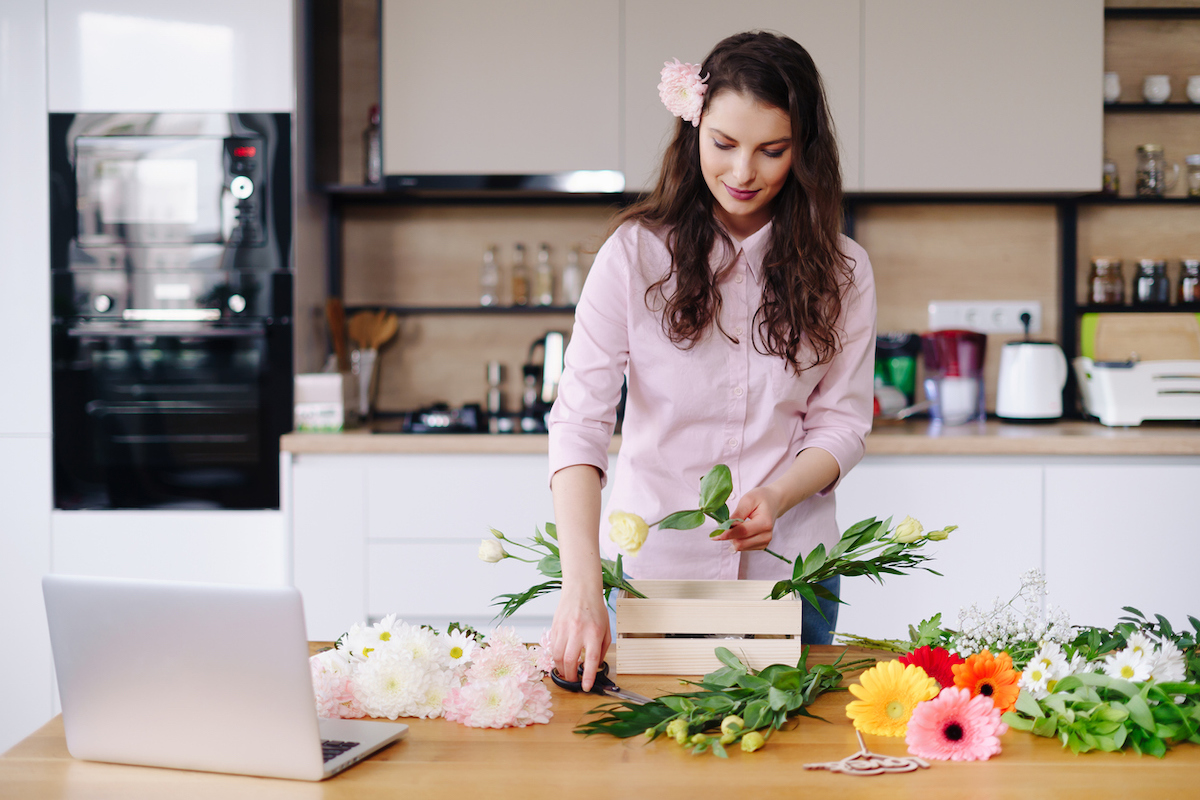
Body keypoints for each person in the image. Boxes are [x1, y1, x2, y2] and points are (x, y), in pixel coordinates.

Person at [546, 31, 876, 690]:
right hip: (655, 574)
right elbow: (579, 424)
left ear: (803, 150)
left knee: (787, 776)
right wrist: (580, 586)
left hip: (792, 573)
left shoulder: (845, 270)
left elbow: (841, 425)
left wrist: (778, 496)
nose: (743, 172)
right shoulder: (635, 256)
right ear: (693, 132)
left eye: (771, 150)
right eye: (723, 144)